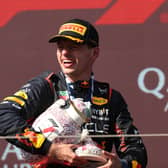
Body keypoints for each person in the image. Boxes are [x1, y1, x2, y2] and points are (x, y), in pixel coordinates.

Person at [0, 18, 147, 168]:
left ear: (94, 53)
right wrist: (51, 149)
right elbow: (3, 114)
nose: (64, 53)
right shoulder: (47, 86)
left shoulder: (110, 98)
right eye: (60, 47)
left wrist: (121, 165)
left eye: (73, 47)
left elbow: (136, 151)